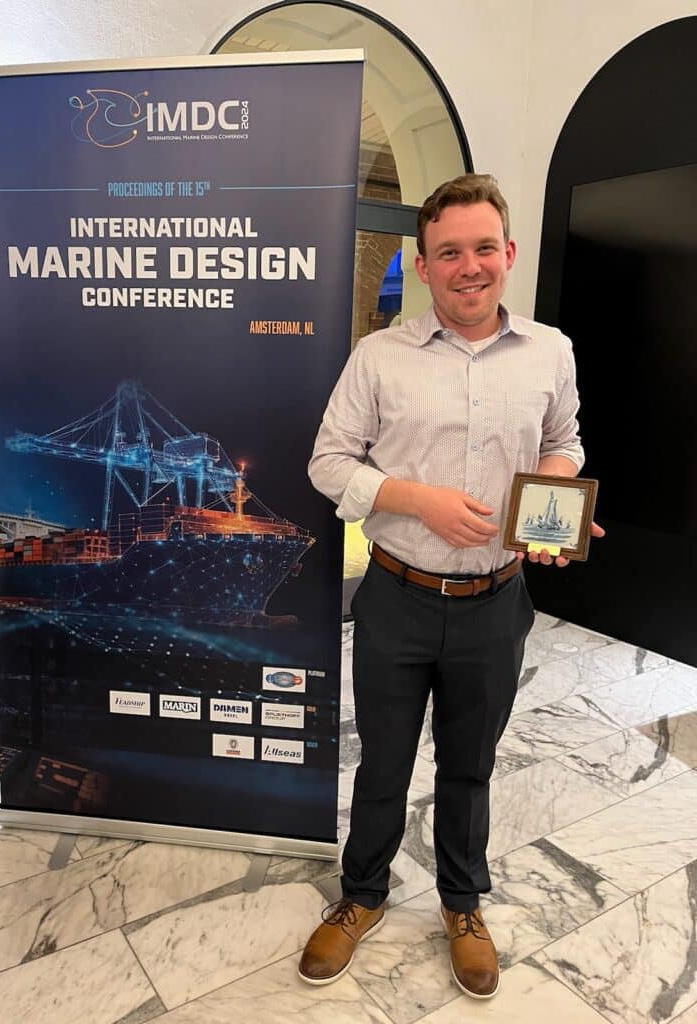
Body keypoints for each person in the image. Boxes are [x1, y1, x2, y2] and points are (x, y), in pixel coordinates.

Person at [299, 173, 603, 999]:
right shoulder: (380, 356)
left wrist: (552, 511)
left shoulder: (550, 351)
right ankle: (361, 895)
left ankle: (462, 903)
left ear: (507, 254)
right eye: (447, 253)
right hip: (396, 596)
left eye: (482, 249)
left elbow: (563, 442)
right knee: (384, 764)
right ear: (424, 267)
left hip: (496, 604)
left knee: (470, 765)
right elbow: (328, 463)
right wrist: (414, 498)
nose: (467, 266)